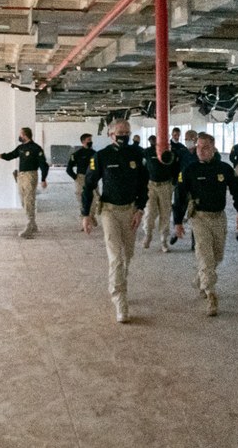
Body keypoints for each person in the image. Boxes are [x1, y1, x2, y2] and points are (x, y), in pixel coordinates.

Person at [81, 119, 148, 323]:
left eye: (127, 132)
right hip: (109, 211)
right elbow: (88, 186)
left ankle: (120, 285)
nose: (124, 135)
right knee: (116, 257)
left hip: (130, 211)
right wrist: (86, 214)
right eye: (120, 132)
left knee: (127, 256)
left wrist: (140, 209)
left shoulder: (137, 154)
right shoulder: (101, 156)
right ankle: (120, 300)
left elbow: (144, 184)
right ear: (111, 134)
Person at [173, 132, 238, 317]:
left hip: (219, 217)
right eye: (198, 147)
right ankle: (211, 294)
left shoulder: (224, 168)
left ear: (213, 148)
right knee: (205, 256)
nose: (201, 151)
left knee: (217, 256)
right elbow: (180, 196)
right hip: (199, 218)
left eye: (205, 147)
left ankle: (201, 279)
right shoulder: (190, 170)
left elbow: (237, 191)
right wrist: (177, 221)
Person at [0, 127, 49, 239]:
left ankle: (29, 226)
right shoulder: (21, 147)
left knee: (29, 200)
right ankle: (33, 224)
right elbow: (11, 155)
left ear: (25, 135)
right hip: (21, 176)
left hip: (30, 175)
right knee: (23, 201)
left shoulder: (36, 148)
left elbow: (44, 164)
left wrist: (43, 179)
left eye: (21, 134)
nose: (19, 136)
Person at [143, 134, 176, 252]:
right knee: (149, 212)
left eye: (154, 140)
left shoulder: (169, 152)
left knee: (165, 213)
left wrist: (173, 183)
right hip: (151, 185)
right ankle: (148, 234)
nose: (152, 142)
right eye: (151, 140)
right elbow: (142, 167)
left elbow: (175, 168)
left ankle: (163, 241)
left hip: (165, 186)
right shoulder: (147, 152)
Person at [169, 129, 198, 248]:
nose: (187, 141)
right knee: (179, 209)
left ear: (195, 140)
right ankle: (176, 232)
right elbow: (174, 167)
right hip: (182, 186)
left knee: (195, 214)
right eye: (186, 139)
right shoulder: (181, 152)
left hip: (196, 187)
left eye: (190, 139)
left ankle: (195, 242)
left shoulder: (199, 153)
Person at [65, 133, 96, 217]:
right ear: (83, 142)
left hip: (92, 178)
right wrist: (76, 178)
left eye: (91, 140)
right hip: (81, 177)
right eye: (89, 140)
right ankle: (84, 218)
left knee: (94, 198)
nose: (91, 142)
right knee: (82, 199)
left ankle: (91, 216)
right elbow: (68, 169)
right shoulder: (76, 154)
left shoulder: (95, 154)